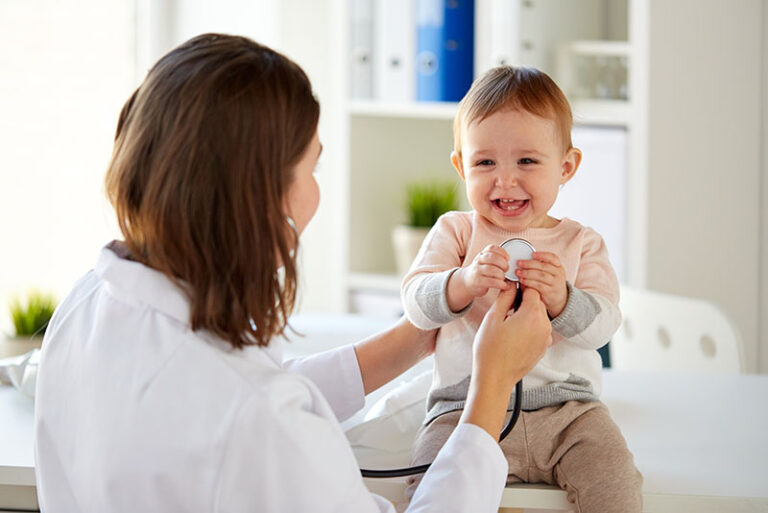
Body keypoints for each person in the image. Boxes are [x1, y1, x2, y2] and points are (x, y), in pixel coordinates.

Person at [33, 34, 553, 512]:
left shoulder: (87, 302)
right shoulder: (259, 423)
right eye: (314, 168)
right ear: (262, 197)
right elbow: (257, 410)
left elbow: (262, 389)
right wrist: (493, 385)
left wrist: (416, 336)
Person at [401, 66, 643, 512]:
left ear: (566, 166)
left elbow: (604, 326)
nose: (505, 180)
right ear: (460, 165)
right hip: (465, 410)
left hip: (570, 413)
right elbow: (416, 303)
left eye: (527, 161)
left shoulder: (581, 242)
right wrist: (463, 283)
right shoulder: (456, 232)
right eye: (485, 162)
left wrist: (563, 300)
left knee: (616, 485)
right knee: (429, 484)